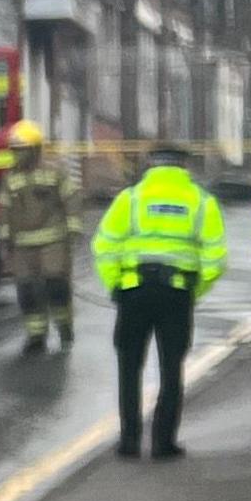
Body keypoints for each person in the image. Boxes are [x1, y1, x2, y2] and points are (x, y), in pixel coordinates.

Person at [95, 142, 227, 458]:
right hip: (176, 294)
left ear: (150, 164)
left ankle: (129, 441)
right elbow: (215, 257)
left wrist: (116, 283)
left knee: (129, 367)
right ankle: (163, 443)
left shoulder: (131, 199)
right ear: (184, 165)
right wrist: (194, 290)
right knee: (171, 368)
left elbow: (104, 246)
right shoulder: (200, 201)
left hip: (134, 291)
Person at [0, 116, 80, 353]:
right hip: (23, 245)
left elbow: (71, 198)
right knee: (26, 290)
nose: (16, 155)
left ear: (34, 150)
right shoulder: (10, 177)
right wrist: (4, 239)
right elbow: (4, 210)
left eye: (21, 150)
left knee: (56, 284)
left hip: (53, 241)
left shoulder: (54, 171)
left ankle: (64, 326)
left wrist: (73, 229)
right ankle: (36, 336)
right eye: (14, 150)